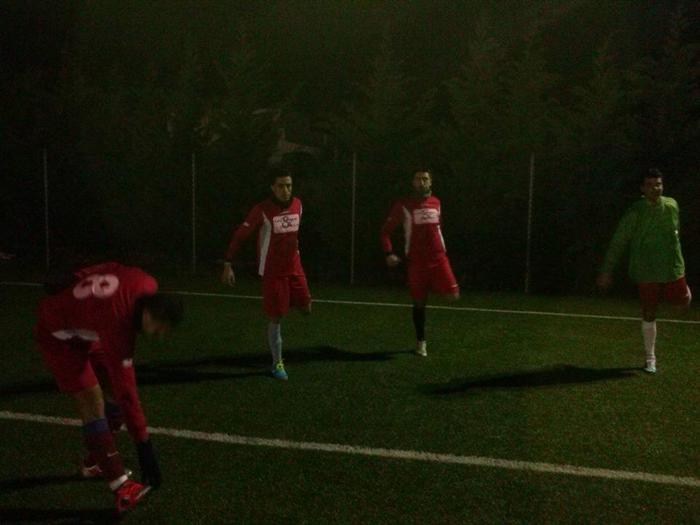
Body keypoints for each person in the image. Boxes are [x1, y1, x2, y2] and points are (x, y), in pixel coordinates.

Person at [34, 261, 183, 514]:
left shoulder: (146, 282)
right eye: (158, 328)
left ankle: (94, 463)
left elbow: (112, 266)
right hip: (58, 335)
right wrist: (144, 445)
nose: (157, 335)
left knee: (112, 395)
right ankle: (121, 488)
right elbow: (128, 393)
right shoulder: (118, 324)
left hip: (89, 328)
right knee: (93, 402)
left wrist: (77, 274)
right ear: (149, 314)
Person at [597, 168, 692, 373]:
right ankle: (650, 358)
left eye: (658, 184)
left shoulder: (672, 205)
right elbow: (619, 241)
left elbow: (675, 235)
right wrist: (607, 270)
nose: (655, 188)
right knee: (649, 313)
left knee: (681, 305)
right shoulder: (635, 212)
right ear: (642, 188)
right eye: (650, 185)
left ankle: (686, 293)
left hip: (672, 269)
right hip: (645, 270)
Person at [221, 168, 311, 380]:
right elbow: (241, 236)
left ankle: (285, 299)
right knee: (276, 317)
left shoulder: (298, 204)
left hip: (295, 268)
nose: (285, 190)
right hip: (273, 271)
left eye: (288, 185)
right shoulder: (262, 209)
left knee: (307, 309)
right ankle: (277, 363)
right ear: (272, 187)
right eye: (281, 186)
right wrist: (228, 263)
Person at [380, 169, 460, 357]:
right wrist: (389, 253)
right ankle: (420, 342)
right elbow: (385, 232)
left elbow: (437, 228)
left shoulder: (437, 202)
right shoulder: (404, 205)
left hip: (439, 259)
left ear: (430, 182)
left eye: (425, 179)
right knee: (418, 303)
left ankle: (432, 285)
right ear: (413, 183)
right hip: (417, 262)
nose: (422, 182)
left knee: (453, 296)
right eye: (418, 179)